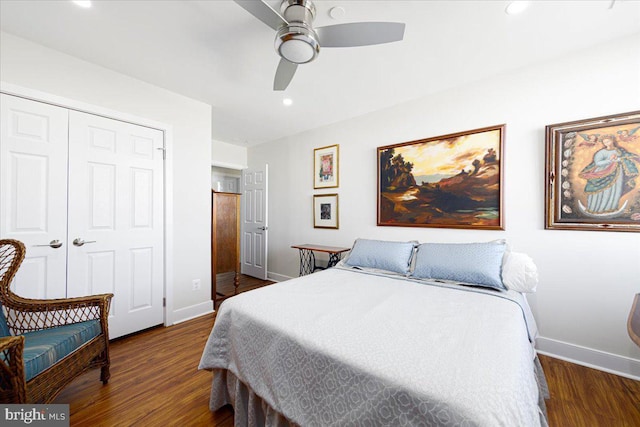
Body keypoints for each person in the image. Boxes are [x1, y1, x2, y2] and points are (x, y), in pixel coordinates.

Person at [578, 135, 639, 214]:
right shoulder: (601, 152)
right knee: (601, 191)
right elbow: (598, 163)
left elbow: (625, 157)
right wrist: (610, 160)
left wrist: (619, 159)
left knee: (615, 190)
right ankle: (595, 209)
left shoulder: (619, 150)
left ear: (612, 140)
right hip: (602, 173)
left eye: (608, 141)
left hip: (617, 172)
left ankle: (611, 208)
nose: (607, 143)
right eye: (605, 142)